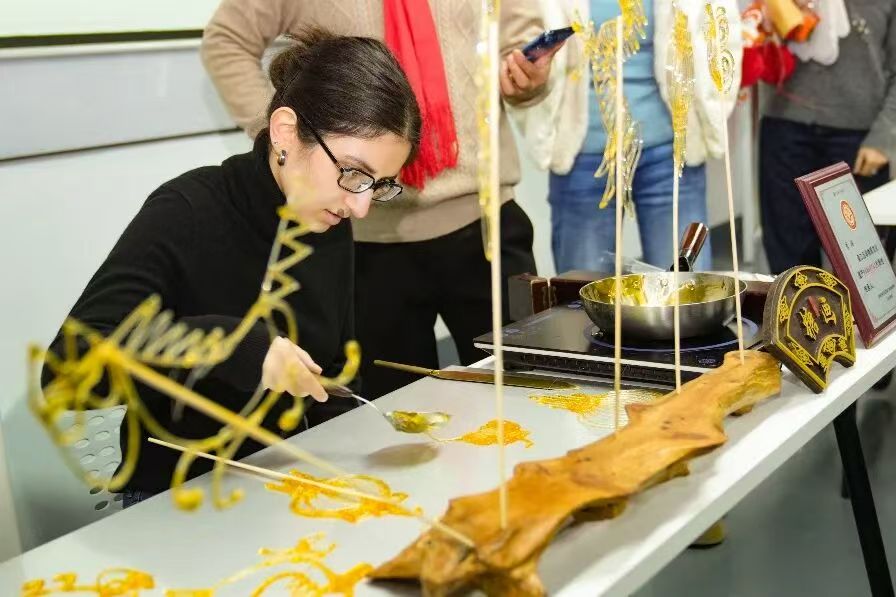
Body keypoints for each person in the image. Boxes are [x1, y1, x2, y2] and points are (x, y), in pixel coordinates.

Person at [42, 31, 422, 507]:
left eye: (379, 185)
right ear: (285, 131)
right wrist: (230, 345)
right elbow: (67, 372)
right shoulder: (187, 211)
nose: (361, 206)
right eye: (352, 173)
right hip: (180, 496)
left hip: (283, 482)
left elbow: (334, 380)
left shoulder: (329, 216)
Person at [201, 0, 561, 398]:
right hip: (366, 240)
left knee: (531, 389)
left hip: (486, 220)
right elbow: (227, 39)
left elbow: (522, 45)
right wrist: (288, 136)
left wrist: (529, 79)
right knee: (395, 409)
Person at [510, 0, 742, 274]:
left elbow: (721, 31)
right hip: (583, 159)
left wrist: (714, 108)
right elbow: (519, 44)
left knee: (683, 290)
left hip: (671, 155)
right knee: (582, 293)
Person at [760, 0, 895, 274]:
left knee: (863, 262)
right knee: (789, 260)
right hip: (786, 124)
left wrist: (884, 137)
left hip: (859, 137)